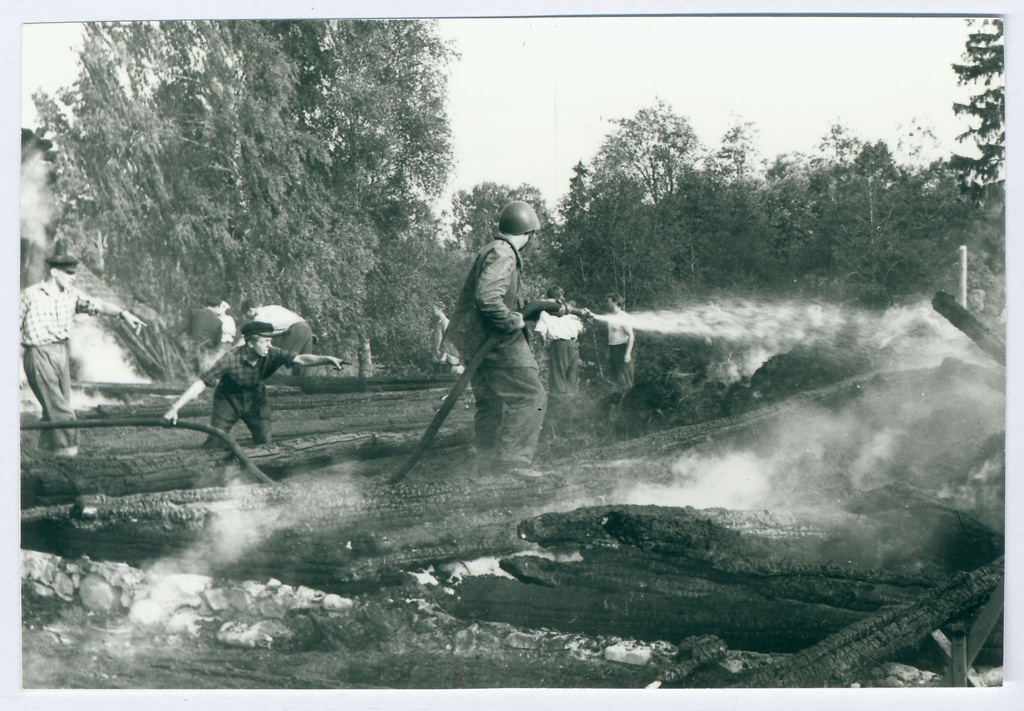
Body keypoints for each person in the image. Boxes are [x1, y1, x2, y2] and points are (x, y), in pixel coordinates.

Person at [442, 201, 548, 478]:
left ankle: (487, 461)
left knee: (491, 402)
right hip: (497, 343)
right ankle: (513, 461)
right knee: (531, 396)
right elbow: (488, 298)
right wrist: (514, 320)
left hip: (475, 342)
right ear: (528, 233)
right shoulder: (504, 254)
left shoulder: (492, 249)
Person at [20, 253, 146, 458]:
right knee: (60, 410)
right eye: (69, 273)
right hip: (37, 354)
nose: (73, 277)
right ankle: (70, 459)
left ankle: (47, 457)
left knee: (56, 408)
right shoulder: (30, 295)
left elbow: (99, 305)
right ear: (54, 271)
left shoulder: (71, 294)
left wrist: (123, 314)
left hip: (61, 353)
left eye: (74, 273)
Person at [162, 321, 345, 447]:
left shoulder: (272, 353)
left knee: (264, 440)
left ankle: (259, 472)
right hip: (228, 398)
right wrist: (175, 407)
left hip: (256, 398)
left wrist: (327, 359)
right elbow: (201, 383)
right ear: (250, 343)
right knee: (217, 440)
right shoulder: (230, 359)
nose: (269, 345)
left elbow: (301, 359)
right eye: (265, 341)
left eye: (270, 341)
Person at [535, 285, 591, 397]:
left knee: (557, 375)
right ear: (561, 296)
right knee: (572, 375)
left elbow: (541, 332)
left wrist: (544, 345)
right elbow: (580, 329)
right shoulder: (570, 311)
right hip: (572, 345)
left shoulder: (545, 312)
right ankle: (573, 401)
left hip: (558, 344)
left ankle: (559, 403)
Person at [240, 299, 314, 376]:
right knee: (305, 360)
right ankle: (307, 382)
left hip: (295, 331)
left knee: (281, 358)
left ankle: (279, 381)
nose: (248, 318)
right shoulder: (273, 307)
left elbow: (253, 338)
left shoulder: (258, 318)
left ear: (251, 310)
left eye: (246, 314)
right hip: (306, 327)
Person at [184, 296, 226, 370]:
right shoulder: (219, 322)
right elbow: (217, 343)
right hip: (204, 350)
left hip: (190, 347)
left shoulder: (194, 312)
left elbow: (187, 330)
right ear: (218, 306)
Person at [605, 293, 635, 390]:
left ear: (614, 302)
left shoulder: (623, 316)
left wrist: (627, 353)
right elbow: (611, 336)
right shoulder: (612, 317)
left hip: (622, 348)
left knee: (625, 379)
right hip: (613, 349)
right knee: (614, 379)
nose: (607, 304)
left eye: (608, 302)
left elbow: (631, 335)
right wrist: (609, 352)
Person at [430, 301, 463, 374]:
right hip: (439, 357)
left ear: (440, 309)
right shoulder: (438, 323)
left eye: (434, 309)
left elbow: (448, 339)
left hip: (446, 359)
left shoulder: (445, 322)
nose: (432, 312)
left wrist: (444, 356)